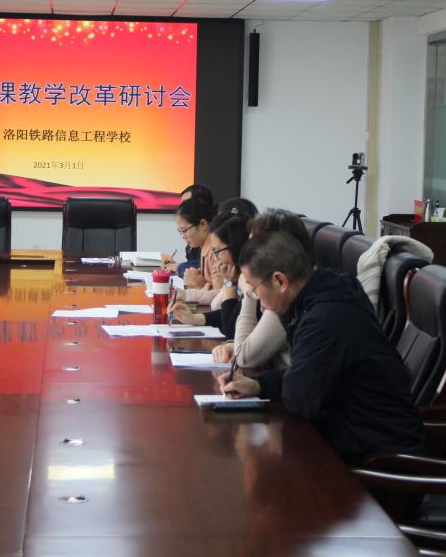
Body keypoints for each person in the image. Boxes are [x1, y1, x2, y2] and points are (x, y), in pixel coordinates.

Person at [218, 230, 425, 464]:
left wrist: (274, 384)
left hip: (380, 461)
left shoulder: (325, 318)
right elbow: (308, 374)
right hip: (359, 441)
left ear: (280, 281)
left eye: (255, 290)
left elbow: (300, 399)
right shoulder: (328, 292)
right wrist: (258, 385)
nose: (257, 299)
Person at [211, 209, 312, 369]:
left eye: (255, 246)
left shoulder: (285, 298)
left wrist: (249, 292)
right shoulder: (281, 287)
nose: (248, 252)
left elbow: (243, 356)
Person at [175, 197, 218, 290]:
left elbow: (221, 294)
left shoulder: (216, 251)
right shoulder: (204, 246)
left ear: (203, 224)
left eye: (184, 230)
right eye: (181, 231)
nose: (183, 236)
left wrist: (199, 284)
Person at [173, 184, 215, 276]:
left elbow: (199, 272)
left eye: (187, 204)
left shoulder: (216, 243)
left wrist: (180, 267)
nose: (183, 208)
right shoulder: (195, 240)